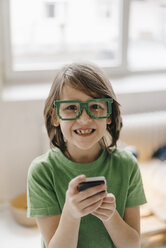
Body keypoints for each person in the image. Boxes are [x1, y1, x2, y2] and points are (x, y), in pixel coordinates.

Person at [27, 62, 146, 248]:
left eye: (96, 106)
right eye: (72, 108)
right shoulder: (42, 171)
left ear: (108, 114)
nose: (84, 119)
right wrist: (71, 215)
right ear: (55, 116)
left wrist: (111, 217)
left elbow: (133, 245)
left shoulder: (127, 165)